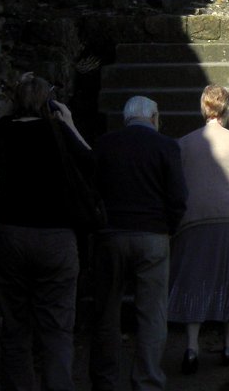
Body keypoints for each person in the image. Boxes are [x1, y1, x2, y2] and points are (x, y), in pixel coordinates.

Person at [0, 73, 93, 391]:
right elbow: (90, 162)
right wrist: (70, 121)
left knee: (15, 327)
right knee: (57, 330)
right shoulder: (57, 131)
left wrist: (13, 98)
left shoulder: (4, 131)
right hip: (56, 238)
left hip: (12, 234)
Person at [90, 96, 189, 391]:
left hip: (111, 235)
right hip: (152, 235)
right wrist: (168, 228)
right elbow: (178, 197)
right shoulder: (166, 146)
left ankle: (105, 380)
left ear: (126, 118)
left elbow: (93, 190)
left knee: (106, 312)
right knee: (152, 314)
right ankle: (147, 380)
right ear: (154, 116)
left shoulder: (106, 144)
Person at [168, 85, 229, 373]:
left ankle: (191, 347)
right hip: (227, 220)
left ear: (203, 109)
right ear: (227, 109)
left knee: (193, 281)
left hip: (192, 222)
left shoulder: (182, 143)